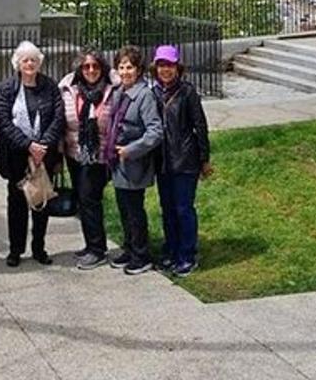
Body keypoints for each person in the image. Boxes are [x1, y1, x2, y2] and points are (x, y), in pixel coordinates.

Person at [0, 40, 64, 267]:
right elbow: (2, 122)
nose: (29, 64)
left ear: (39, 62)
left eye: (33, 60)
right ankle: (16, 250)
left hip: (44, 155)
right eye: (25, 60)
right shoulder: (6, 88)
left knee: (41, 202)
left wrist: (43, 145)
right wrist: (27, 145)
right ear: (18, 63)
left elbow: (58, 117)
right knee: (17, 204)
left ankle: (39, 248)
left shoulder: (50, 86)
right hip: (16, 155)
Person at [151, 45, 212, 277]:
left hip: (185, 159)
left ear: (178, 67)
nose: (165, 70)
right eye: (161, 65)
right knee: (167, 209)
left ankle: (188, 254)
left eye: (169, 65)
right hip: (163, 160)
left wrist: (204, 158)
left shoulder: (187, 93)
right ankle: (171, 249)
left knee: (183, 208)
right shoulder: (154, 93)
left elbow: (200, 126)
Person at [106, 44, 163, 275]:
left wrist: (131, 149)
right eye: (121, 67)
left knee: (134, 210)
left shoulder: (144, 95)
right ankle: (129, 247)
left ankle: (141, 253)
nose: (125, 71)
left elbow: (155, 131)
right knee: (123, 208)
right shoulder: (119, 92)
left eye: (129, 67)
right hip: (118, 162)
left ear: (138, 70)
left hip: (134, 163)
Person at [57, 49, 115, 269]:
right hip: (75, 153)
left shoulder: (112, 90)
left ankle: (98, 249)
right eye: (86, 66)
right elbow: (63, 121)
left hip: (99, 155)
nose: (91, 71)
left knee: (90, 198)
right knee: (83, 199)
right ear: (79, 69)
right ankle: (91, 244)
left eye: (96, 66)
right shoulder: (69, 90)